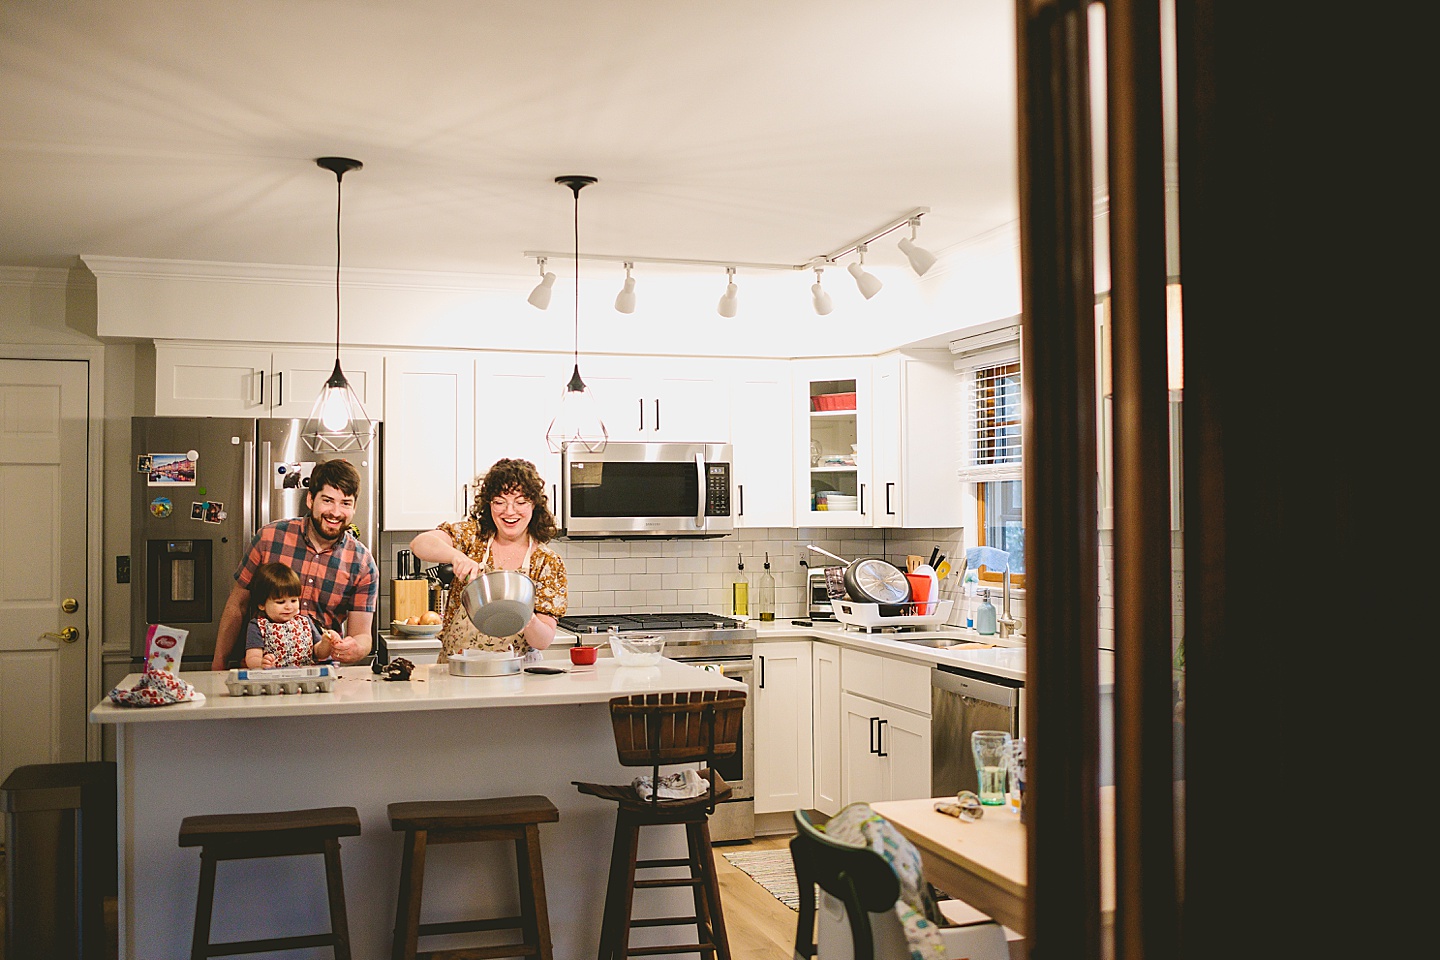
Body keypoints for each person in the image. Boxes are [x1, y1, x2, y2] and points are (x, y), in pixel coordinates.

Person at [211, 458, 378, 669]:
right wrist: (218, 664)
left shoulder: (363, 563)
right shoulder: (270, 538)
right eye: (327, 500)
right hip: (261, 671)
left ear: (354, 508)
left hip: (321, 676)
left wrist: (357, 649)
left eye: (345, 503)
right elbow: (237, 605)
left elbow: (362, 634)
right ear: (310, 500)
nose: (335, 512)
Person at [410, 458, 567, 661]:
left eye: (520, 502)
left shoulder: (546, 561)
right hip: (459, 669)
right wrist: (457, 556)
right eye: (500, 502)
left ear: (534, 505)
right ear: (489, 503)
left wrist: (524, 615)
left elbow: (542, 641)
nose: (509, 512)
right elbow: (420, 544)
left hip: (516, 675)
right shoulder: (472, 537)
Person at [243, 562, 337, 669]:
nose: (289, 607)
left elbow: (319, 653)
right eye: (280, 602)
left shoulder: (305, 622)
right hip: (274, 680)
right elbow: (252, 657)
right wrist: (261, 663)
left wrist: (326, 643)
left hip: (305, 678)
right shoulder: (258, 626)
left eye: (293, 600)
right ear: (261, 604)